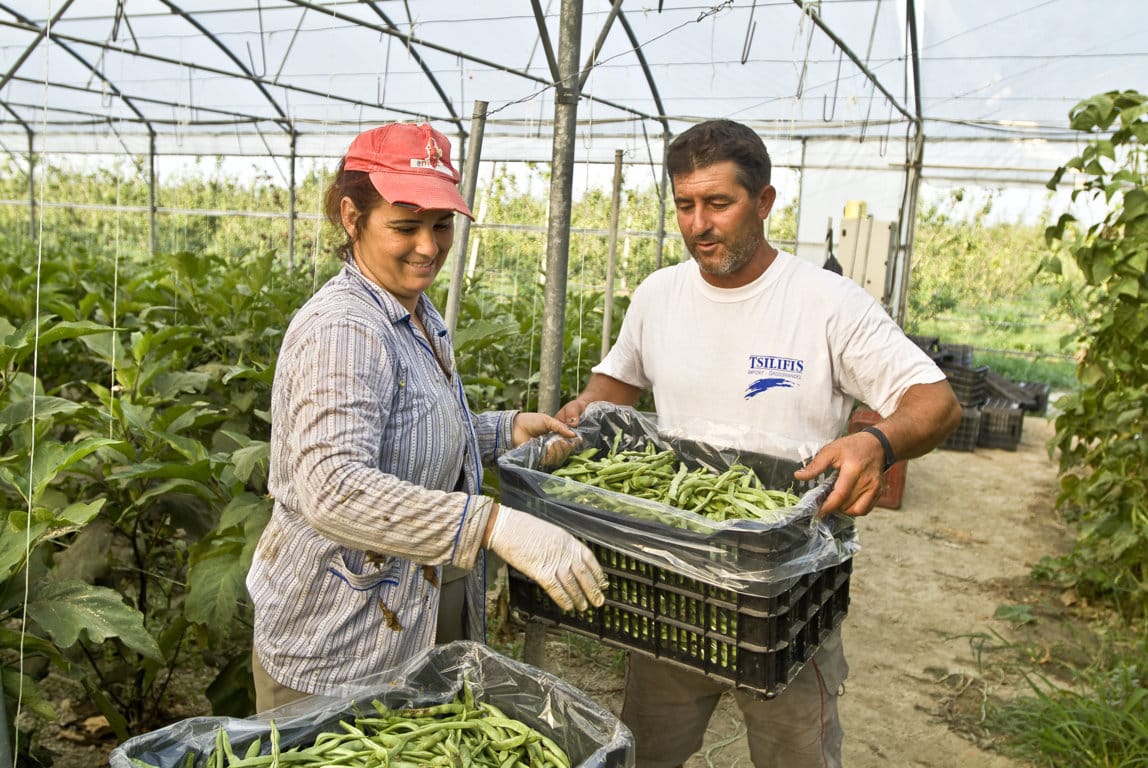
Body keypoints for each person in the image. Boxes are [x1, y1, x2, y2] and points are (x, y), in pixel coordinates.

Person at [555, 119, 962, 768]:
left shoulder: (826, 303)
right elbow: (617, 382)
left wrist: (877, 443)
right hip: (673, 586)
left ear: (765, 202)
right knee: (646, 751)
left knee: (795, 755)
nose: (698, 224)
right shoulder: (659, 296)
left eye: (719, 203)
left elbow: (936, 402)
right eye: (685, 205)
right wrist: (574, 417)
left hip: (785, 600)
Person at [246, 122, 607, 712]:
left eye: (441, 225)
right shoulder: (345, 328)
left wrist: (499, 430)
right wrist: (493, 526)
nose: (429, 246)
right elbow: (332, 489)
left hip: (404, 619)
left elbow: (409, 428)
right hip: (338, 643)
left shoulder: (411, 309)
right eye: (405, 226)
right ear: (351, 216)